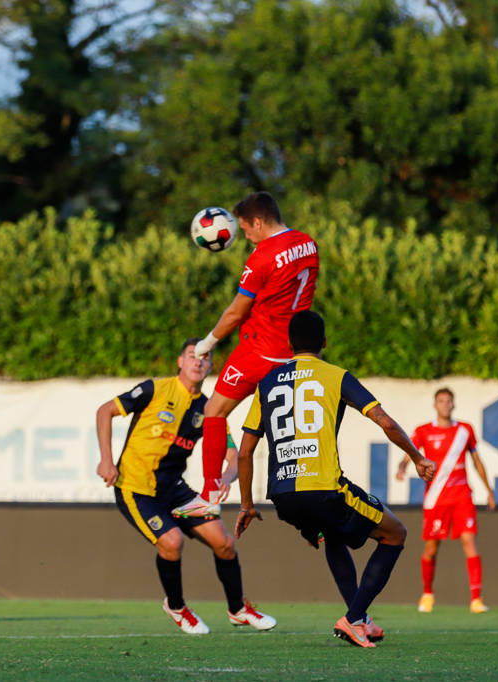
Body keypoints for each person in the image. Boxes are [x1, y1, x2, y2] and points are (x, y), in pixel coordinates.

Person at [235, 311, 435, 649]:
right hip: (324, 488)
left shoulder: (267, 382)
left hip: (283, 495)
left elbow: (244, 452)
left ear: (289, 344)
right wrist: (417, 457)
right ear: (324, 343)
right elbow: (384, 421)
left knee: (333, 536)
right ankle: (354, 617)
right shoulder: (336, 376)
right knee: (395, 534)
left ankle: (361, 618)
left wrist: (246, 504)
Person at [95, 338, 276, 635]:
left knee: (225, 543)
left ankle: (238, 609)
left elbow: (233, 456)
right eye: (192, 356)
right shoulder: (155, 389)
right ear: (180, 361)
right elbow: (105, 411)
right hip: (136, 487)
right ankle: (177, 606)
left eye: (205, 358)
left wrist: (224, 480)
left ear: (211, 366)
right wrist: (106, 460)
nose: (198, 362)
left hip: (174, 490)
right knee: (172, 541)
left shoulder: (209, 409)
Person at [186, 191, 320, 516]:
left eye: (246, 230)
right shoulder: (308, 243)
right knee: (282, 436)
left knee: (214, 413)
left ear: (259, 222)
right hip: (293, 353)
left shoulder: (262, 256)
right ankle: (309, 508)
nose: (245, 236)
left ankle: (209, 495)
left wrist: (205, 344)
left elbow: (236, 312)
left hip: (259, 350)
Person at [396, 387, 496, 614]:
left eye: (449, 401)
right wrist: (402, 467)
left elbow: (477, 462)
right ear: (435, 404)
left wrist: (489, 490)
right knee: (431, 548)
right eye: (441, 401)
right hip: (436, 499)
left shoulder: (465, 430)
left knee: (469, 541)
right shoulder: (423, 431)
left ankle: (476, 599)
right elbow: (409, 454)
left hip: (462, 496)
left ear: (453, 404)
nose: (445, 404)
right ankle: (428, 594)